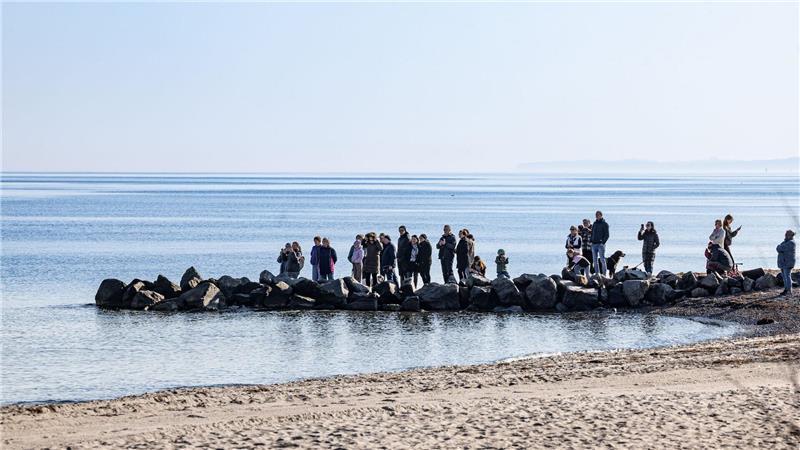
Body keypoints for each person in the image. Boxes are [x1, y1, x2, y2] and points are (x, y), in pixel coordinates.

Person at [777, 230, 795, 295]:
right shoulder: (786, 242)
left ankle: (789, 291)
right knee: (784, 277)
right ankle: (786, 289)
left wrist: (779, 247)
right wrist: (779, 247)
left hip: (787, 263)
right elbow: (778, 248)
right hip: (783, 262)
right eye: (785, 234)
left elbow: (780, 248)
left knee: (787, 276)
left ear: (790, 235)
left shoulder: (791, 243)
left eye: (787, 234)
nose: (785, 235)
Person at [591, 211, 609, 276]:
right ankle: (597, 274)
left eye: (598, 215)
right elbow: (592, 233)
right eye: (596, 215)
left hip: (601, 244)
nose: (596, 216)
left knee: (602, 260)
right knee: (595, 261)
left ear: (601, 215)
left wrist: (602, 242)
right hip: (594, 244)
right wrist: (591, 241)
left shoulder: (605, 224)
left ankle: (604, 275)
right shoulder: (594, 223)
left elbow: (607, 235)